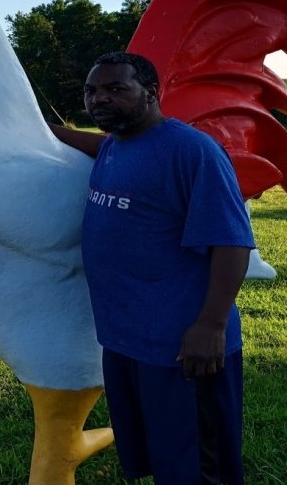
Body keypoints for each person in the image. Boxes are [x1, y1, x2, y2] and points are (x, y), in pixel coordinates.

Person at [50, 52, 254, 484]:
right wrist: (35, 128)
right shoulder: (114, 145)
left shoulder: (192, 152)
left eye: (115, 88)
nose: (100, 99)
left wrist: (211, 326)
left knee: (198, 467)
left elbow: (232, 244)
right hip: (126, 340)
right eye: (91, 91)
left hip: (182, 347)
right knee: (160, 457)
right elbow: (91, 143)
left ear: (151, 93)